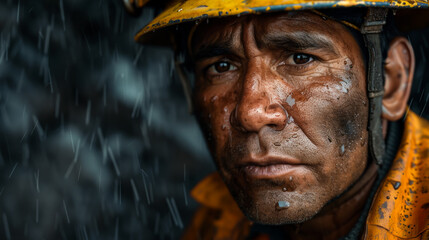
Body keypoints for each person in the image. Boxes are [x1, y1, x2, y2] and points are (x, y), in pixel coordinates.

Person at [123, 0, 429, 239]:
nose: (250, 113)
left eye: (300, 58)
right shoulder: (219, 223)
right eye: (221, 66)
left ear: (390, 81)